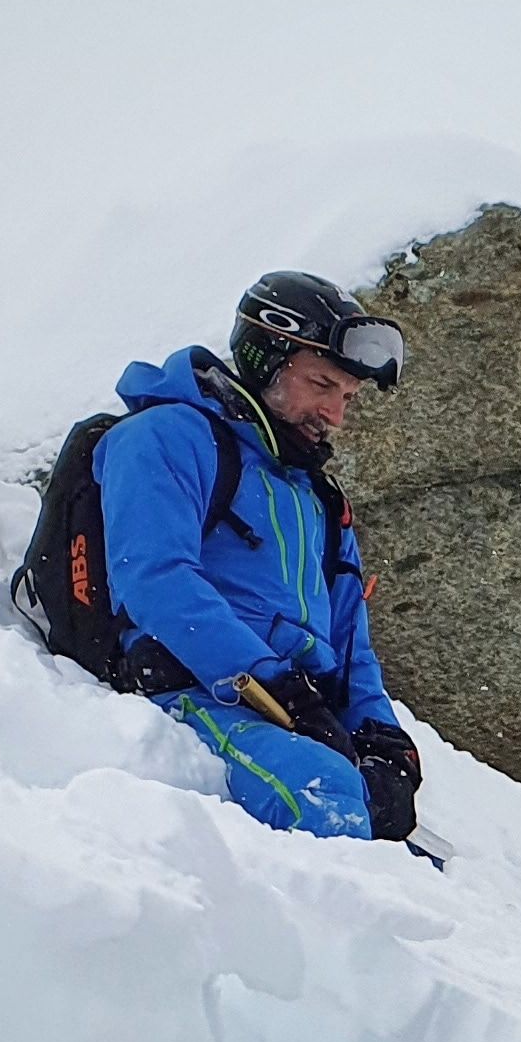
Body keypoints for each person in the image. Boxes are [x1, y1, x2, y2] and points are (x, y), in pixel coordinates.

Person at [99, 272, 425, 845]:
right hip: (191, 690)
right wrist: (273, 685)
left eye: (347, 397)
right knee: (327, 802)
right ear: (264, 356)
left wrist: (382, 737)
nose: (336, 414)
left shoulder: (319, 500)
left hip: (292, 717)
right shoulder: (165, 437)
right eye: (322, 384)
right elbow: (155, 579)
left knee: (403, 849)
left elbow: (352, 643)